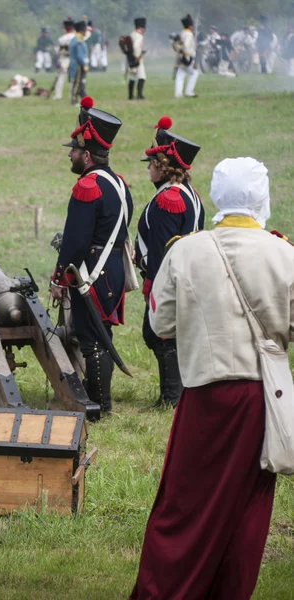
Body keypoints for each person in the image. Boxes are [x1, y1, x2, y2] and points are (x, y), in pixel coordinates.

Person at [130, 156, 289, 600]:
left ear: (218, 196)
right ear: (262, 197)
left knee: (183, 506)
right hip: (263, 401)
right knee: (248, 511)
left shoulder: (186, 250)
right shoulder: (284, 254)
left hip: (204, 394)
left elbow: (160, 325)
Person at [50, 96, 133, 414]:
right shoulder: (119, 184)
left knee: (91, 338)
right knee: (101, 332)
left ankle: (98, 404)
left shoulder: (88, 186)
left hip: (91, 273)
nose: (70, 154)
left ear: (86, 154)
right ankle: (99, 398)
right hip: (110, 269)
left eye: (73, 150)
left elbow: (76, 241)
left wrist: (59, 278)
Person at [135, 116, 204, 408]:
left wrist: (153, 283)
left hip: (169, 276)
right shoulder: (188, 193)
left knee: (158, 334)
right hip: (186, 275)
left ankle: (172, 398)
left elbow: (162, 249)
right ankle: (173, 394)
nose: (148, 169)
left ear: (163, 168)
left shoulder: (169, 199)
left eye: (152, 164)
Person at [174, 13, 199, 98]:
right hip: (187, 57)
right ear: (190, 26)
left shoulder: (182, 33)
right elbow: (186, 46)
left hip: (181, 56)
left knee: (180, 75)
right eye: (192, 25)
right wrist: (188, 57)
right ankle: (189, 92)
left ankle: (178, 94)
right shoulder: (189, 34)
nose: (193, 27)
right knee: (194, 73)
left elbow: (179, 45)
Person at [53, 18, 75, 100]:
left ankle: (58, 95)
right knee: (73, 78)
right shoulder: (76, 37)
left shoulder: (62, 38)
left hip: (64, 59)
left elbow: (58, 51)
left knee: (60, 77)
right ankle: (72, 95)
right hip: (73, 59)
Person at [69, 21, 89, 105]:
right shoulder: (78, 41)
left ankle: (81, 98)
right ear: (81, 30)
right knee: (77, 83)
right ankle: (74, 100)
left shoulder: (76, 39)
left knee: (80, 83)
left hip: (77, 64)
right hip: (78, 65)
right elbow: (79, 55)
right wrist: (84, 65)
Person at [128, 18, 147, 100]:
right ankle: (140, 95)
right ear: (140, 27)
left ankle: (131, 95)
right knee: (142, 77)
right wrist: (137, 57)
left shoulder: (132, 34)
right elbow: (136, 47)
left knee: (132, 77)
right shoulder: (139, 36)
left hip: (130, 59)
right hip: (137, 59)